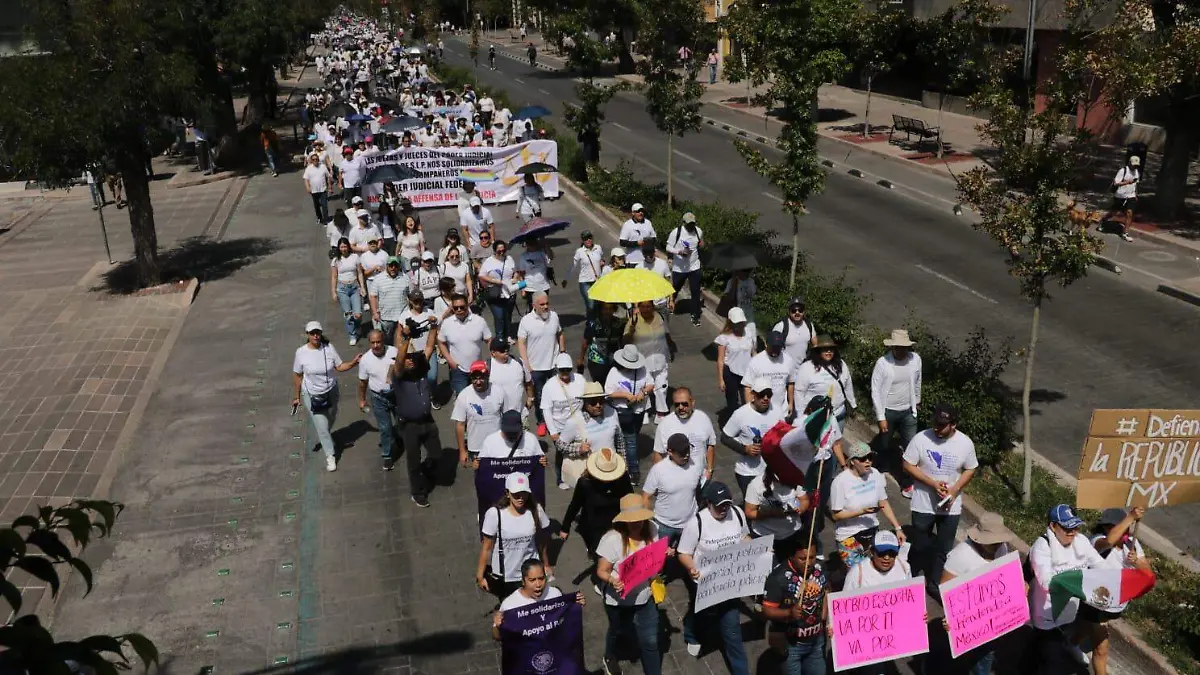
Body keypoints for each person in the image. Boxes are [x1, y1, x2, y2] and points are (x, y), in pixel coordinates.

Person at [903, 402, 978, 597]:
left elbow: (970, 468)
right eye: (935, 423)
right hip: (923, 504)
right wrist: (932, 484)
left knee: (944, 550)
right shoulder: (921, 439)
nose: (936, 428)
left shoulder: (965, 443)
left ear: (954, 424)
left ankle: (935, 583)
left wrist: (954, 490)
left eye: (941, 425)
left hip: (950, 506)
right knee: (920, 546)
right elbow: (908, 464)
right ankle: (909, 580)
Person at [677, 481, 751, 669]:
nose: (724, 509)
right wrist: (692, 568)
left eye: (726, 503)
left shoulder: (737, 514)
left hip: (729, 583)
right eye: (719, 505)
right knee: (702, 612)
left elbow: (744, 537)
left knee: (732, 630)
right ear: (708, 503)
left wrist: (756, 549)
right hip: (704, 581)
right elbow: (683, 552)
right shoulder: (697, 523)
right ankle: (692, 634)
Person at [1027, 505, 1110, 674]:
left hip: (1069, 613)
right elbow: (1046, 582)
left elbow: (1099, 564)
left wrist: (1112, 578)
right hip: (1046, 616)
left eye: (1076, 527)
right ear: (1053, 526)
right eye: (1067, 528)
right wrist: (1079, 584)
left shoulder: (1081, 542)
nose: (1072, 532)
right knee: (1052, 662)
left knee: (1046, 654)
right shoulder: (1042, 547)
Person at [595, 494, 663, 675]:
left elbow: (655, 556)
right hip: (618, 601)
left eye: (640, 519)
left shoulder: (653, 529)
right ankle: (610, 655)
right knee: (618, 631)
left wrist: (665, 553)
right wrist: (613, 580)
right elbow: (602, 570)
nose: (637, 523)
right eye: (632, 520)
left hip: (645, 596)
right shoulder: (612, 539)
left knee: (650, 641)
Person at [939, 512, 1012, 675]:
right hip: (967, 618)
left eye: (999, 540)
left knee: (984, 655)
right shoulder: (961, 554)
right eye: (992, 541)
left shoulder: (1002, 548)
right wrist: (952, 616)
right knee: (963, 658)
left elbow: (1004, 573)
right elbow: (945, 587)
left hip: (991, 618)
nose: (997, 544)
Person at [1084, 507, 1151, 675]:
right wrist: (1131, 517)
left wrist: (1137, 562)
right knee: (1102, 649)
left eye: (1124, 527)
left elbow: (1147, 571)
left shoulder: (1132, 544)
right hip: (1096, 603)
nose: (1122, 531)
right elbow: (1108, 542)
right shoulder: (1097, 540)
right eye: (1115, 526)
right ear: (1105, 528)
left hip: (1117, 604)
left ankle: (1066, 646)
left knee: (1081, 631)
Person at [292, 321, 361, 472]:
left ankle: (326, 437)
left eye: (318, 332)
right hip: (312, 395)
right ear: (307, 335)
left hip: (331, 391)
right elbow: (297, 375)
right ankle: (330, 455)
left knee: (331, 417)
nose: (315, 335)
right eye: (312, 333)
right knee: (322, 427)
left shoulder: (329, 348)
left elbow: (339, 366)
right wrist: (296, 397)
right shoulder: (301, 352)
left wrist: (353, 363)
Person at [477, 472, 552, 601]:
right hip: (506, 576)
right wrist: (480, 575)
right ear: (507, 493)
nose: (521, 497)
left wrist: (546, 564)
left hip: (530, 573)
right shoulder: (495, 514)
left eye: (524, 493)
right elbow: (487, 547)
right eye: (516, 494)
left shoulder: (536, 510)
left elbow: (542, 542)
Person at [830, 442, 904, 568]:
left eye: (870, 457)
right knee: (858, 573)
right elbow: (836, 516)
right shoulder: (840, 482)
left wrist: (897, 528)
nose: (868, 461)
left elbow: (883, 502)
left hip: (871, 531)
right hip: (849, 536)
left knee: (875, 570)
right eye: (863, 459)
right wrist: (861, 511)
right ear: (853, 461)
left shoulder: (875, 474)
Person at [391, 322, 441, 507]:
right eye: (408, 358)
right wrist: (407, 338)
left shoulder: (421, 370)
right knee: (413, 461)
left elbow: (429, 347)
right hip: (409, 425)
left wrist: (434, 328)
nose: (411, 360)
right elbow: (399, 360)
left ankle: (426, 470)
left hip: (427, 421)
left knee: (436, 454)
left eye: (413, 357)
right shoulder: (398, 375)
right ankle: (418, 493)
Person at [762, 538, 828, 675]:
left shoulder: (820, 568)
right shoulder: (778, 578)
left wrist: (824, 615)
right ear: (791, 556)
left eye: (812, 557)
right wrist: (788, 614)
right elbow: (767, 610)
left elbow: (826, 590)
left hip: (816, 641)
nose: (809, 563)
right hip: (791, 645)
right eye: (803, 559)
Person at [561, 446, 634, 569]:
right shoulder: (585, 483)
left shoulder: (622, 478)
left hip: (617, 524)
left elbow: (630, 499)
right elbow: (575, 504)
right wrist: (565, 527)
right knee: (600, 558)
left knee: (617, 556)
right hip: (593, 527)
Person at [870, 329, 922, 498]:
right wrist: (881, 417)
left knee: (911, 447)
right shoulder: (883, 363)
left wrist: (918, 401)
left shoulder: (915, 360)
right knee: (884, 444)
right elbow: (875, 391)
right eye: (898, 347)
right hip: (888, 411)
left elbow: (917, 381)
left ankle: (907, 482)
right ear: (892, 347)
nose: (901, 350)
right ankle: (880, 470)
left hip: (908, 411)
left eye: (904, 347)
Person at [491, 559, 585, 640]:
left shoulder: (555, 593)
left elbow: (563, 620)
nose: (538, 584)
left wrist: (575, 606)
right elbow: (497, 637)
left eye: (541, 579)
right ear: (523, 581)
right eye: (532, 580)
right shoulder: (509, 605)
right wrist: (498, 626)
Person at [722, 378, 785, 497]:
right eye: (762, 394)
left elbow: (783, 435)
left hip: (772, 471)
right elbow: (725, 438)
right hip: (748, 472)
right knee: (753, 509)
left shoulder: (777, 411)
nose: (766, 398)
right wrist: (745, 449)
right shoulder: (741, 414)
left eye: (769, 394)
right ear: (753, 395)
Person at [452, 361, 521, 467]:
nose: (478, 382)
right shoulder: (464, 396)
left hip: (498, 445)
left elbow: (507, 417)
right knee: (481, 479)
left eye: (481, 378)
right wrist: (462, 451)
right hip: (476, 448)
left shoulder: (499, 391)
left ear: (488, 376)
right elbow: (460, 425)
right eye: (475, 378)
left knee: (500, 476)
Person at [642, 433, 705, 546]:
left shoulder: (696, 465)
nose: (686, 455)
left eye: (687, 450)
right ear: (670, 452)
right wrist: (648, 523)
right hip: (664, 526)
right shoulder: (658, 470)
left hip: (690, 524)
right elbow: (646, 496)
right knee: (662, 559)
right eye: (681, 453)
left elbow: (698, 489)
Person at [557, 382, 624, 489]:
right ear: (585, 403)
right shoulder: (575, 421)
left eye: (601, 401)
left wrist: (624, 465)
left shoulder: (612, 412)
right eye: (593, 402)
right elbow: (560, 445)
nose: (598, 405)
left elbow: (619, 440)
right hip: (590, 475)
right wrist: (578, 449)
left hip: (612, 470)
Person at [605, 345, 655, 485]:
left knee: (632, 436)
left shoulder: (643, 369)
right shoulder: (614, 372)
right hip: (622, 410)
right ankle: (634, 470)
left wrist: (642, 393)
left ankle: (624, 460)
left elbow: (650, 384)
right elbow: (608, 392)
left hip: (638, 410)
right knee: (631, 439)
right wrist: (625, 395)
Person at [517, 292, 565, 436]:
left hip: (554, 365)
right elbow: (521, 343)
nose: (546, 307)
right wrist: (527, 365)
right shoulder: (526, 321)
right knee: (539, 397)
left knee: (557, 394)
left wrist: (562, 352)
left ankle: (556, 421)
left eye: (547, 303)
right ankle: (542, 422)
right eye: (542, 304)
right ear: (534, 306)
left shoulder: (554, 316)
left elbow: (560, 333)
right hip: (536, 367)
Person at [542, 353, 587, 488]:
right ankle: (560, 479)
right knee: (562, 453)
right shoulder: (549, 386)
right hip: (560, 427)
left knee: (581, 450)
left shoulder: (580, 379)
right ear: (557, 369)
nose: (565, 373)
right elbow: (546, 409)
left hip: (579, 424)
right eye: (562, 370)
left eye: (568, 369)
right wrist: (553, 431)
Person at [651, 388, 716, 482]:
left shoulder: (703, 418)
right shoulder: (665, 424)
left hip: (700, 479)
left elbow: (711, 444)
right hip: (676, 481)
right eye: (677, 404)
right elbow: (658, 454)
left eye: (685, 404)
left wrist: (709, 470)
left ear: (692, 402)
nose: (681, 407)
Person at [624, 300, 674, 421]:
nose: (646, 309)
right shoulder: (633, 320)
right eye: (643, 307)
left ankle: (661, 412)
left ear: (653, 307)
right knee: (644, 387)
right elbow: (625, 341)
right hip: (643, 361)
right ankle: (644, 411)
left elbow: (666, 334)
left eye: (649, 306)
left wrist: (670, 348)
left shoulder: (659, 317)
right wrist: (631, 330)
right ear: (639, 307)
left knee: (662, 386)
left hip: (660, 358)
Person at [793, 335, 856, 431]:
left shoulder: (841, 364)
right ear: (818, 351)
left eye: (831, 349)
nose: (829, 351)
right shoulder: (806, 367)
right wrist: (800, 416)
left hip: (838, 415)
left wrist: (853, 404)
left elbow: (848, 386)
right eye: (825, 349)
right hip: (815, 418)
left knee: (835, 445)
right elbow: (799, 393)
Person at [357, 330, 399, 470]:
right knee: (385, 428)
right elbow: (363, 382)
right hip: (378, 398)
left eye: (378, 342)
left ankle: (401, 440)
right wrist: (362, 400)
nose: (376, 345)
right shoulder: (365, 360)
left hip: (396, 395)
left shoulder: (394, 351)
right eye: (373, 342)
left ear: (383, 341)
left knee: (402, 422)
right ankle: (387, 455)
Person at [437, 293, 493, 395]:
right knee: (462, 398)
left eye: (462, 307)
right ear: (452, 308)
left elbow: (489, 340)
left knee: (480, 397)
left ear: (467, 306)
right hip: (458, 369)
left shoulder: (479, 321)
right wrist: (450, 361)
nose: (459, 310)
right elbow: (441, 342)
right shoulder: (447, 323)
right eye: (455, 307)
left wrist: (490, 361)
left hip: (478, 369)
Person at [744, 466, 808, 554]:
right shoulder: (756, 485)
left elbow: (804, 500)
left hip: (792, 533)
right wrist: (770, 513)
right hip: (765, 535)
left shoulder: (796, 479)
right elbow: (750, 512)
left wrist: (797, 511)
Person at [396, 288, 440, 395]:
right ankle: (421, 395)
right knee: (417, 377)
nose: (418, 303)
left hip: (429, 350)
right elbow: (399, 335)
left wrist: (439, 346)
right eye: (415, 300)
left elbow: (436, 331)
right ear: (410, 301)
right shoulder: (404, 316)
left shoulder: (429, 312)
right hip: (412, 352)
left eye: (420, 300)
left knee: (432, 377)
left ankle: (432, 395)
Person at [743, 331, 796, 420]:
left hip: (781, 411)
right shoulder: (756, 361)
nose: (775, 350)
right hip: (761, 411)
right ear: (766, 344)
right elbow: (747, 386)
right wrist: (749, 409)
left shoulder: (788, 360)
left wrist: (790, 403)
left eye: (778, 347)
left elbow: (790, 383)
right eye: (773, 347)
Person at [665, 211, 705, 326]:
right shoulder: (676, 232)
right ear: (684, 223)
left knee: (695, 292)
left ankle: (695, 315)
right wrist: (679, 252)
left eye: (693, 224)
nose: (691, 226)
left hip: (694, 266)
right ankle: (670, 305)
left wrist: (702, 245)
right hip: (680, 268)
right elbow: (668, 247)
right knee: (675, 289)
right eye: (689, 224)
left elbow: (700, 244)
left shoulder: (698, 231)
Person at [714, 308, 756, 414]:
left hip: (746, 373)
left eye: (741, 322)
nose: (740, 325)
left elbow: (753, 353)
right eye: (737, 323)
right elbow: (720, 360)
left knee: (748, 401)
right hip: (730, 373)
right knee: (732, 402)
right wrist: (721, 379)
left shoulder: (749, 333)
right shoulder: (724, 337)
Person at [841, 531, 911, 594]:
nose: (887, 557)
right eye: (882, 553)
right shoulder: (857, 573)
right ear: (872, 552)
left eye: (892, 553)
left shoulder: (904, 567)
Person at [479, 240, 521, 339]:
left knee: (507, 316)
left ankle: (508, 336)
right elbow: (481, 275)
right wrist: (494, 281)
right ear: (494, 251)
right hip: (495, 293)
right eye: (499, 251)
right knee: (499, 316)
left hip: (509, 292)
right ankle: (500, 337)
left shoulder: (509, 259)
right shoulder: (489, 261)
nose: (502, 253)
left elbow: (515, 271)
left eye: (504, 250)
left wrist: (515, 278)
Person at [330, 238, 365, 345]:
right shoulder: (336, 260)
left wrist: (362, 287)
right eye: (341, 247)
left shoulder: (355, 257)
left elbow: (359, 273)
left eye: (345, 246)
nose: (344, 249)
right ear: (339, 248)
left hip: (354, 287)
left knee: (358, 314)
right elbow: (334, 276)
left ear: (348, 247)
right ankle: (352, 334)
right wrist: (334, 292)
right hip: (342, 289)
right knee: (348, 314)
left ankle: (358, 325)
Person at [478, 410, 546, 466]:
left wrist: (543, 461)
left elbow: (540, 457)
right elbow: (482, 463)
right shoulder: (490, 441)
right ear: (502, 428)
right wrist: (477, 464)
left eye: (515, 433)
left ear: (521, 428)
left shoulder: (531, 439)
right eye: (508, 433)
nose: (511, 436)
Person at [488, 337, 534, 417]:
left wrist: (530, 398)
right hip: (497, 418)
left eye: (507, 349)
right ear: (493, 353)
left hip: (520, 415)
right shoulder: (488, 367)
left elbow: (528, 382)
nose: (506, 352)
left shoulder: (518, 362)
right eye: (502, 350)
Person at [580, 301, 624, 385]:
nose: (607, 311)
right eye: (605, 309)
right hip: (596, 362)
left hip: (613, 361)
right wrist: (581, 359)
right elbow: (586, 341)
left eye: (610, 309)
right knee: (599, 386)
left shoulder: (619, 324)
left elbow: (622, 342)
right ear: (601, 309)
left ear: (614, 309)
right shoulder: (592, 323)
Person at [369, 256, 410, 344]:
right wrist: (375, 313)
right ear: (387, 266)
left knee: (401, 342)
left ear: (399, 266)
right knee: (387, 343)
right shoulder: (378, 279)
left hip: (402, 317)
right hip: (386, 318)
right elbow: (373, 297)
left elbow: (410, 296)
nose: (393, 268)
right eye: (391, 265)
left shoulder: (406, 278)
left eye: (395, 265)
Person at [566, 230, 605, 321]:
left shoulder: (598, 248)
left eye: (590, 238)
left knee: (597, 304)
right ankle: (591, 323)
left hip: (597, 281)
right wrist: (566, 278)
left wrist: (602, 263)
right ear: (583, 241)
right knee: (590, 304)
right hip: (585, 282)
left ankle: (595, 322)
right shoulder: (580, 251)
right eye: (585, 239)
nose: (588, 240)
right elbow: (573, 265)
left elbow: (601, 259)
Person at [1102, 154, 1139, 241]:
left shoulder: (1136, 172)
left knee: (1129, 213)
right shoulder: (1123, 171)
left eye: (1136, 165)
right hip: (1120, 195)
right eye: (1134, 165)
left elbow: (1136, 183)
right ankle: (1103, 221)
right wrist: (1127, 182)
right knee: (1114, 212)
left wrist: (1136, 194)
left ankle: (1125, 233)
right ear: (1129, 163)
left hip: (1131, 195)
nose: (1135, 167)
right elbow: (1116, 183)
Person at [771, 297, 816, 365]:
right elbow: (771, 346)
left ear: (804, 311)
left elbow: (815, 344)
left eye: (800, 310)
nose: (797, 313)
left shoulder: (809, 325)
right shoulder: (781, 326)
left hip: (803, 367)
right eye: (793, 310)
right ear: (789, 312)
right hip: (784, 368)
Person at [516, 239, 553, 313]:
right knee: (532, 310)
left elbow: (551, 257)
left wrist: (546, 245)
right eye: (530, 243)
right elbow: (521, 274)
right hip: (530, 287)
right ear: (526, 244)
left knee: (544, 308)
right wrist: (522, 289)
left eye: (534, 243)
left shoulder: (542, 253)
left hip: (544, 286)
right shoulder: (523, 256)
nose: (532, 245)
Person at [303, 153, 332, 225]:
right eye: (313, 160)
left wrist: (330, 187)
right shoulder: (308, 168)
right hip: (314, 190)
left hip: (323, 189)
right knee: (317, 206)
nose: (315, 161)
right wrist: (307, 187)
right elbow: (306, 179)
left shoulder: (323, 166)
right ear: (311, 161)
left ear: (318, 160)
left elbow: (328, 177)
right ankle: (319, 218)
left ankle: (325, 219)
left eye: (316, 159)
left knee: (324, 205)